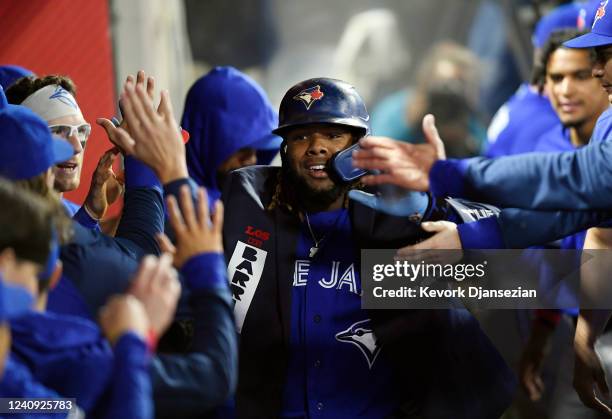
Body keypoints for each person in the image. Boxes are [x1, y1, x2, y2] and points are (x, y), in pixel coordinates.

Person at [351, 2, 612, 413]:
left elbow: (583, 184)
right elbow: (582, 216)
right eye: (558, 76)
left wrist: (453, 179)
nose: (594, 74)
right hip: (533, 293)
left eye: (592, 65)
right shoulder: (549, 124)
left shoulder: (556, 125)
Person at [213, 77, 515, 418]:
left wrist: (437, 197)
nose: (316, 146)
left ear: (358, 146)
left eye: (332, 135)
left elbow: (517, 255)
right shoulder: (254, 213)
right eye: (301, 137)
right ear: (285, 150)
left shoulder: (392, 222)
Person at [6, 74, 123, 225]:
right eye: (57, 132)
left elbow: (101, 243)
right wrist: (89, 215)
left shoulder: (70, 211)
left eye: (81, 131)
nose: (77, 147)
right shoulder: (7, 219)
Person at [182, 66, 281, 202]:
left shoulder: (241, 208)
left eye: (257, 148)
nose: (253, 160)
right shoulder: (158, 202)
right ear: (208, 137)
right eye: (242, 147)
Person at [370, 42, 486, 157]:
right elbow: (374, 151)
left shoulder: (468, 123)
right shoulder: (399, 110)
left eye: (456, 86)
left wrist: (463, 142)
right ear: (426, 80)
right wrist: (411, 122)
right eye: (441, 84)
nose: (446, 94)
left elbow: (486, 162)